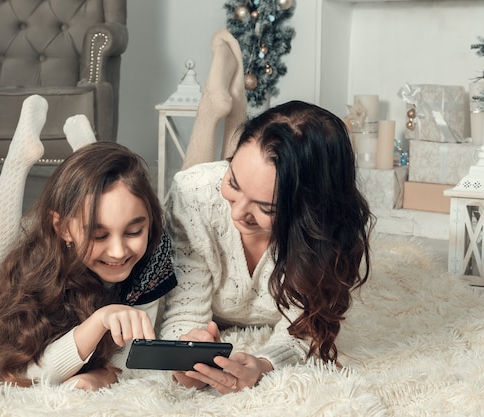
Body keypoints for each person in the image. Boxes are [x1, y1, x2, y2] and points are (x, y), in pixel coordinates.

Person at [160, 100, 374, 395]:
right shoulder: (193, 194)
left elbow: (305, 328)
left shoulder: (326, 238)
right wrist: (184, 355)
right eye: (233, 183)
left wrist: (263, 364)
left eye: (265, 208)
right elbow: (183, 308)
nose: (238, 213)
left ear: (309, 213)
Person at [0, 95, 176, 390]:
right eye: (99, 235)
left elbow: (128, 356)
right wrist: (99, 321)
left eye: (134, 232)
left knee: (103, 199)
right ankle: (18, 158)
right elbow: (19, 371)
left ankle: (89, 153)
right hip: (35, 269)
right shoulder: (35, 273)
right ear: (63, 228)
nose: (119, 252)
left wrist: (103, 374)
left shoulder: (151, 257)